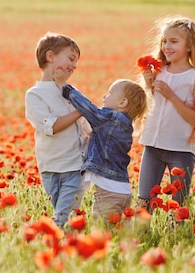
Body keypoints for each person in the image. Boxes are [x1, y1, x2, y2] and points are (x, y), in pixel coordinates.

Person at [135, 16, 195, 210]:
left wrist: (172, 96)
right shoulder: (158, 71)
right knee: (144, 201)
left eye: (174, 42)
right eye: (164, 41)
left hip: (181, 149)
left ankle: (178, 238)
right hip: (153, 145)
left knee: (178, 206)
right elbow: (152, 107)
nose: (166, 46)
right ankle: (139, 238)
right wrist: (148, 84)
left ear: (190, 46)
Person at [58, 75, 148, 222]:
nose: (104, 96)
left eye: (110, 93)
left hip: (109, 193)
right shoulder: (126, 125)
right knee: (119, 231)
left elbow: (89, 109)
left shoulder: (110, 119)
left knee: (101, 228)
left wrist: (67, 89)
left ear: (122, 102)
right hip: (124, 190)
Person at [25, 32, 91, 228]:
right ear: (50, 56)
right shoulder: (35, 94)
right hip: (50, 167)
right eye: (71, 58)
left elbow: (88, 126)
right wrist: (80, 110)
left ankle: (54, 246)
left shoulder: (70, 91)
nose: (74, 66)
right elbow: (50, 126)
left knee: (62, 216)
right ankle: (65, 246)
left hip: (74, 166)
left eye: (76, 62)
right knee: (62, 213)